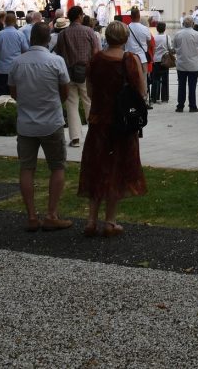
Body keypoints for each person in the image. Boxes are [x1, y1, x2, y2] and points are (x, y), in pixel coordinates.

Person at [78, 20, 147, 237]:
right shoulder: (130, 60)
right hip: (122, 123)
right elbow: (141, 92)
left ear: (107, 37)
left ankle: (91, 220)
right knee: (117, 168)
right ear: (125, 38)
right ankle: (110, 221)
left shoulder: (96, 59)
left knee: (96, 166)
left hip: (99, 121)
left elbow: (90, 92)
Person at [7, 21, 72, 231]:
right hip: (51, 121)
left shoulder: (18, 62)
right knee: (57, 166)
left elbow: (13, 92)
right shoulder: (56, 61)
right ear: (48, 39)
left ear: (30, 38)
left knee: (27, 168)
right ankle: (51, 214)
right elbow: (64, 91)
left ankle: (32, 217)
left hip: (26, 122)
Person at [55, 5, 101, 147]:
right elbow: (96, 52)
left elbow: (59, 53)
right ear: (80, 16)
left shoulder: (63, 34)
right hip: (86, 72)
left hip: (69, 73)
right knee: (89, 103)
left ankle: (75, 138)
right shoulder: (89, 31)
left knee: (71, 105)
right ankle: (94, 136)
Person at [173, 15, 198, 112]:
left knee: (181, 85)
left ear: (183, 23)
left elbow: (174, 47)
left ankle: (180, 106)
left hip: (181, 63)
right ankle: (192, 106)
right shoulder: (196, 34)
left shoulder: (177, 34)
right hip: (193, 64)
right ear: (192, 24)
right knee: (192, 86)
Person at [0, 12, 29, 98]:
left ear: (5, 21)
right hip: (16, 68)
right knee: (15, 94)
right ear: (15, 21)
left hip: (2, 68)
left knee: (1, 93)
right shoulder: (20, 34)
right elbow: (25, 50)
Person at [124, 7, 154, 105]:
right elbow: (149, 42)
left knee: (129, 79)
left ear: (130, 16)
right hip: (142, 58)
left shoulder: (126, 28)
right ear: (139, 16)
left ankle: (131, 99)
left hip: (129, 57)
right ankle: (143, 99)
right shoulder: (144, 28)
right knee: (143, 79)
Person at [150, 21, 172, 104]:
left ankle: (154, 97)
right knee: (165, 79)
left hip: (156, 60)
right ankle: (165, 98)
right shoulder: (167, 37)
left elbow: (152, 48)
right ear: (165, 29)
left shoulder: (154, 37)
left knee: (155, 79)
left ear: (157, 29)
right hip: (165, 60)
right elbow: (170, 47)